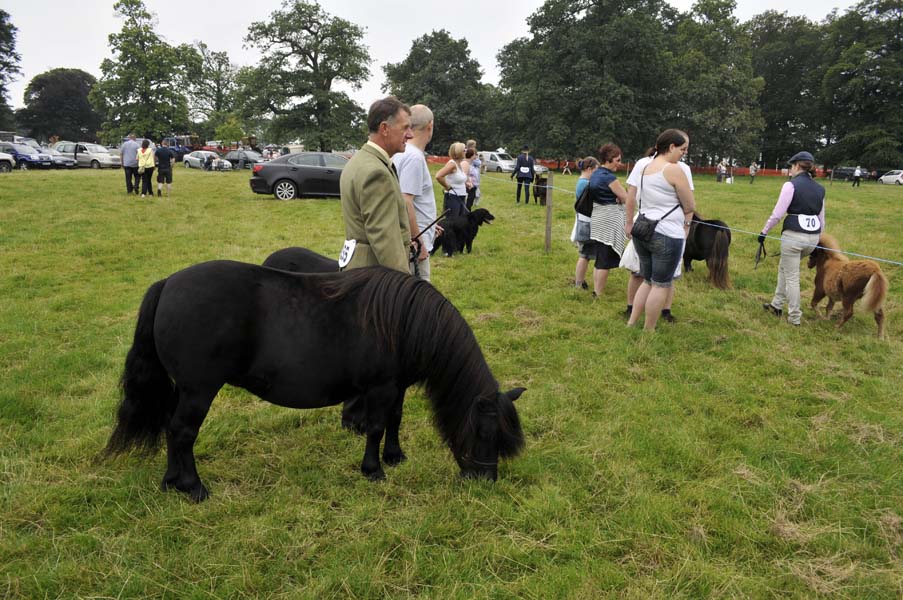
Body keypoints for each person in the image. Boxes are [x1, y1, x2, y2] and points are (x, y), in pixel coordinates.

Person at [625, 129, 696, 331]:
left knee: (647, 280)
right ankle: (649, 329)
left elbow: (633, 195)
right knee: (661, 284)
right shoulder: (673, 170)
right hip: (666, 233)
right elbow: (690, 205)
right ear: (671, 147)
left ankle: (632, 323)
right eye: (682, 149)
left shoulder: (645, 166)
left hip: (643, 229)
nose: (684, 153)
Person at [339, 96, 413, 273]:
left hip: (359, 270)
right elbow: (385, 239)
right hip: (374, 276)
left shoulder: (359, 161)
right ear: (385, 129)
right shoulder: (376, 172)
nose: (410, 134)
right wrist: (405, 288)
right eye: (405, 128)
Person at [759, 151, 825, 326]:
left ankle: (794, 317)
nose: (790, 170)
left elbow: (777, 214)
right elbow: (821, 219)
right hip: (812, 239)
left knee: (792, 277)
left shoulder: (790, 185)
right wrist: (817, 239)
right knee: (785, 268)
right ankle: (776, 305)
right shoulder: (820, 188)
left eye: (791, 166)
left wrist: (764, 231)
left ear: (796, 166)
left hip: (794, 237)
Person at [393, 104, 439, 281]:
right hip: (414, 244)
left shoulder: (402, 152)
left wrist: (431, 224)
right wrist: (419, 241)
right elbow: (406, 201)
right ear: (430, 125)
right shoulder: (414, 157)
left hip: (410, 235)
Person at [588, 143, 628, 298]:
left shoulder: (596, 174)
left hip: (598, 219)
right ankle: (598, 293)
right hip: (610, 221)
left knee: (600, 258)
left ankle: (596, 290)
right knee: (604, 261)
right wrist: (622, 196)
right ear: (609, 159)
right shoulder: (610, 178)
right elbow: (625, 198)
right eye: (617, 160)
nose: (619, 163)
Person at [572, 156, 599, 290]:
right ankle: (579, 282)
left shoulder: (582, 182)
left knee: (585, 255)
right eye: (596, 170)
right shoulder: (586, 184)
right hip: (587, 223)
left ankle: (579, 281)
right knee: (585, 256)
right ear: (589, 169)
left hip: (583, 222)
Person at [436, 142, 470, 217]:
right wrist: (447, 186)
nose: (466, 151)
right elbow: (439, 176)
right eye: (464, 150)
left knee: (460, 222)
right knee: (452, 222)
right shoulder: (452, 164)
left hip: (461, 196)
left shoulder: (459, 164)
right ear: (459, 152)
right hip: (453, 197)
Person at [466, 139, 482, 209]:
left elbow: (478, 163)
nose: (475, 147)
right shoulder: (467, 153)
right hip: (469, 179)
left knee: (474, 194)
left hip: (475, 179)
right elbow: (478, 163)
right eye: (474, 146)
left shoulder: (474, 153)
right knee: (469, 197)